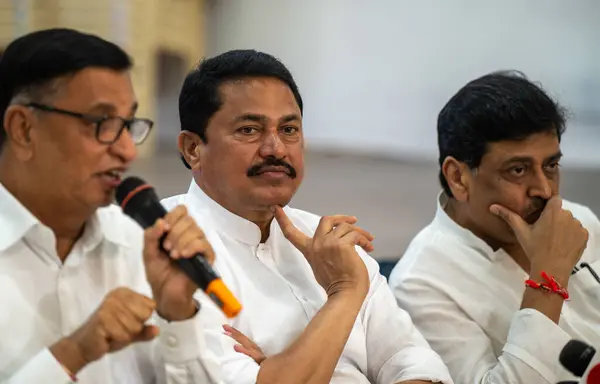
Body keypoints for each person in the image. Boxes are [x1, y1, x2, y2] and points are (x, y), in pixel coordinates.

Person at [161, 49, 453, 384]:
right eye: (249, 130)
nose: (276, 149)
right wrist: (345, 293)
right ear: (192, 149)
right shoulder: (167, 251)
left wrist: (279, 370)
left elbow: (412, 360)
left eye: (289, 129)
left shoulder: (326, 239)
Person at [0, 28, 224, 383]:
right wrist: (72, 354)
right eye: (102, 123)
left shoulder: (140, 244)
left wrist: (178, 316)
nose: (127, 151)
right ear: (24, 128)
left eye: (129, 124)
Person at [388, 71, 600, 384]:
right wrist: (548, 278)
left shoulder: (578, 220)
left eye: (551, 165)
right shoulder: (421, 284)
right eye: (518, 169)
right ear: (458, 178)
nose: (544, 190)